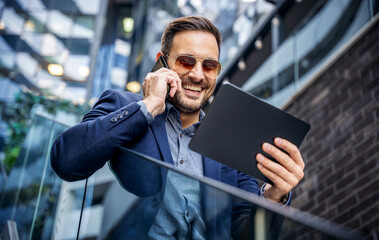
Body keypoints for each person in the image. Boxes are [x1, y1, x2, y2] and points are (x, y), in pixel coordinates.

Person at [51, 16, 305, 239]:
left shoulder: (232, 138)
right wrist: (149, 106)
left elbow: (246, 235)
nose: (197, 75)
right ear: (162, 62)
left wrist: (274, 197)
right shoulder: (123, 105)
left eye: (209, 66)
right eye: (185, 62)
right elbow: (67, 160)